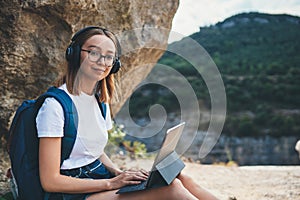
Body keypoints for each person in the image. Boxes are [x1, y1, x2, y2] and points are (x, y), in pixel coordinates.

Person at [37, 26, 219, 200]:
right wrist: (111, 183)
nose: (102, 62)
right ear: (75, 54)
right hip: (69, 193)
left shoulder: (99, 102)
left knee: (180, 179)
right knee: (173, 190)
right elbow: (50, 181)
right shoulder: (54, 106)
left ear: (114, 64)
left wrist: (118, 172)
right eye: (93, 53)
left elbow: (94, 152)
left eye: (109, 57)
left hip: (97, 180)